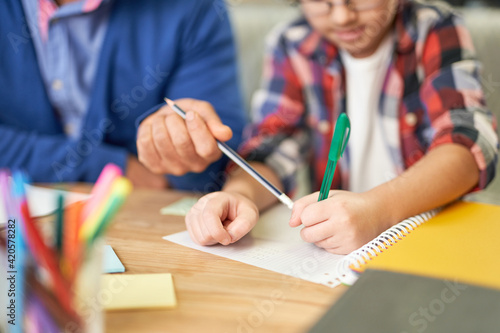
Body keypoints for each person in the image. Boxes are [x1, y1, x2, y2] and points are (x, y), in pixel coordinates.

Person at [180, 0, 498, 254]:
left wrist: (380, 210)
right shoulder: (292, 42)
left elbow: (468, 144)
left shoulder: (434, 29)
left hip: (433, 235)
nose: (343, 16)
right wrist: (239, 194)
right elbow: (276, 145)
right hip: (338, 252)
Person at [0, 0, 246, 192]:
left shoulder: (195, 9)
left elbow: (220, 164)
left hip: (139, 223)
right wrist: (113, 167)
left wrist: (188, 153)